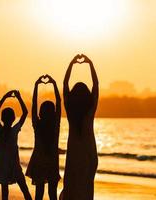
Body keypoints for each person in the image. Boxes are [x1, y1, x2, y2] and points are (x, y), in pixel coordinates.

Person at [61, 54, 99, 200]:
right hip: (89, 153)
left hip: (74, 154)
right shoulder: (90, 112)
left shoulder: (70, 111)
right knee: (87, 186)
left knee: (72, 185)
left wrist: (71, 63)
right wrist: (90, 63)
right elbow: (96, 86)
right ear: (87, 96)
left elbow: (65, 85)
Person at [0, 90, 32, 200]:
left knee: (5, 192)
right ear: (13, 118)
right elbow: (25, 113)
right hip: (13, 164)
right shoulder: (14, 130)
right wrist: (19, 98)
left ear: (2, 118)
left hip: (2, 162)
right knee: (24, 189)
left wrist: (4, 97)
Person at [26, 75, 61, 200]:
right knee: (53, 194)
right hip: (52, 162)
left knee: (39, 194)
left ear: (41, 112)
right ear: (53, 112)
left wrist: (36, 85)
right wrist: (54, 84)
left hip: (39, 161)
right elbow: (59, 101)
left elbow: (34, 104)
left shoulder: (37, 124)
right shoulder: (55, 125)